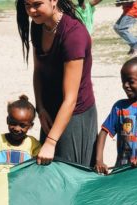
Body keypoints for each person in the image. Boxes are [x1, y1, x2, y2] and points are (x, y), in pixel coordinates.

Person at [16, 0, 97, 167]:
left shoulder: (73, 34)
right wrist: (41, 108)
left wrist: (51, 142)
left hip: (75, 113)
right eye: (27, 5)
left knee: (70, 175)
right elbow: (38, 71)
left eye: (37, 4)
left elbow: (71, 99)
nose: (31, 10)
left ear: (54, 1)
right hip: (50, 111)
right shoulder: (38, 25)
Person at [0, 95, 41, 174]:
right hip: (0, 183)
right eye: (13, 123)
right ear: (7, 120)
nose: (17, 128)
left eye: (22, 125)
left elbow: (38, 166)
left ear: (30, 126)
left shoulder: (33, 143)